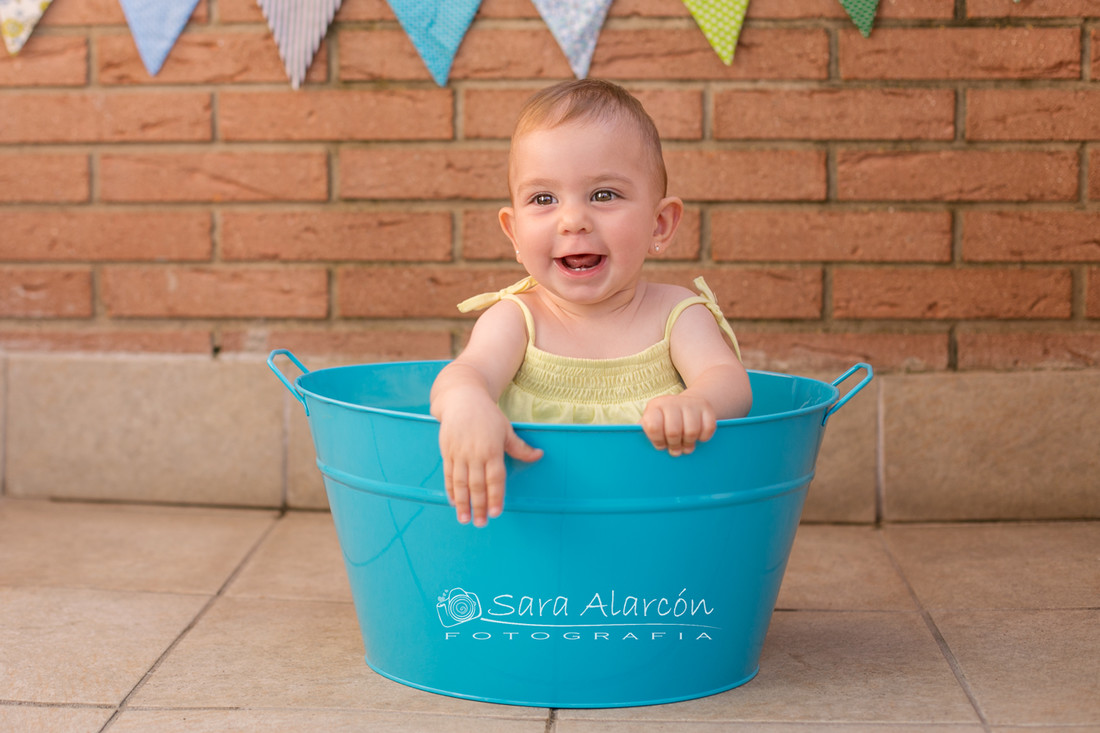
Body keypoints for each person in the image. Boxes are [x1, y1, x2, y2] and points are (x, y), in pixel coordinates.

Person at [430, 79, 752, 528]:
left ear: (660, 224)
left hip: (656, 528)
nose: (574, 220)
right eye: (543, 199)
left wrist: (699, 402)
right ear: (514, 233)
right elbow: (467, 372)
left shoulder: (677, 315)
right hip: (532, 530)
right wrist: (467, 402)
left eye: (604, 195)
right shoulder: (517, 319)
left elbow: (730, 381)